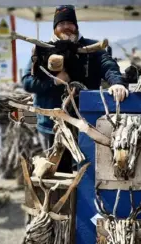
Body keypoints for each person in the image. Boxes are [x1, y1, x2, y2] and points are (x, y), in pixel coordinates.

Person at [22, 5, 128, 173]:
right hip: (53, 125)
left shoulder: (93, 48)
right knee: (57, 173)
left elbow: (109, 66)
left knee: (88, 171)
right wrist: (55, 82)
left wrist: (117, 82)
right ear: (55, 28)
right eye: (61, 23)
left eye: (70, 23)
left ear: (76, 26)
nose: (66, 27)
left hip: (87, 123)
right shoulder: (41, 50)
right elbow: (27, 81)